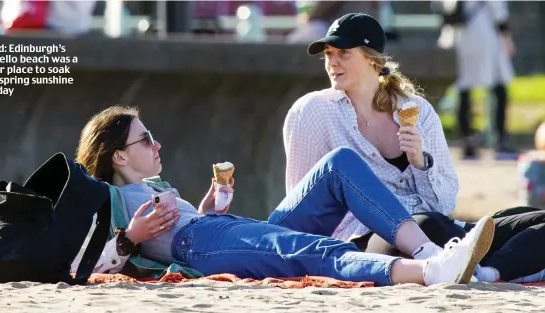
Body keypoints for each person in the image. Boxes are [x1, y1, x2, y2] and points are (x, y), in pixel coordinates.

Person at [70, 104, 496, 286]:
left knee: (340, 163)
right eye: (146, 140)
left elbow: (187, 223)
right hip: (200, 245)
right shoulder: (104, 198)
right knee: (313, 250)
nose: (157, 144)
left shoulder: (155, 187)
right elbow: (78, 265)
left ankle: (424, 251)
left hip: (216, 232)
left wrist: (208, 206)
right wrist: (130, 238)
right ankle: (429, 272)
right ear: (120, 157)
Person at [282, 13, 545, 283]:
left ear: (372, 59)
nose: (332, 62)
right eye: (328, 53)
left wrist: (420, 163)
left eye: (343, 53)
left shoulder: (417, 110)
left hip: (438, 226)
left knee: (530, 218)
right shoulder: (312, 112)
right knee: (426, 225)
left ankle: (487, 272)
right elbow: (303, 200)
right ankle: (491, 264)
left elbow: (443, 204)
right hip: (366, 238)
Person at [451, 0, 517, 160]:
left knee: (464, 87)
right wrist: (507, 39)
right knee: (498, 86)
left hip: (460, 34)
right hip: (485, 32)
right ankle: (500, 140)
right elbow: (499, 13)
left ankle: (466, 141)